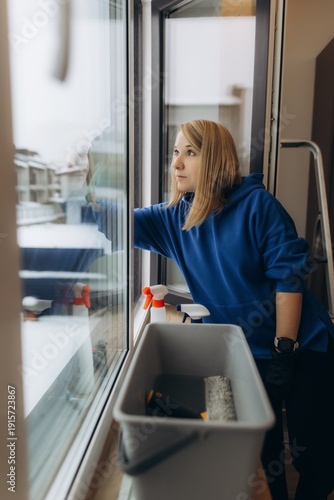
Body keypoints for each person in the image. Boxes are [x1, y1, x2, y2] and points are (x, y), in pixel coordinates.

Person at [91, 119, 334, 500]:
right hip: (247, 350)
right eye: (175, 153)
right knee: (263, 451)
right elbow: (113, 223)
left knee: (315, 454)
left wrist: (284, 353)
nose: (177, 163)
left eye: (190, 152)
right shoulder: (175, 218)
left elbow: (289, 280)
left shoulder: (258, 206)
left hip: (302, 345)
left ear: (217, 159)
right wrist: (97, 175)